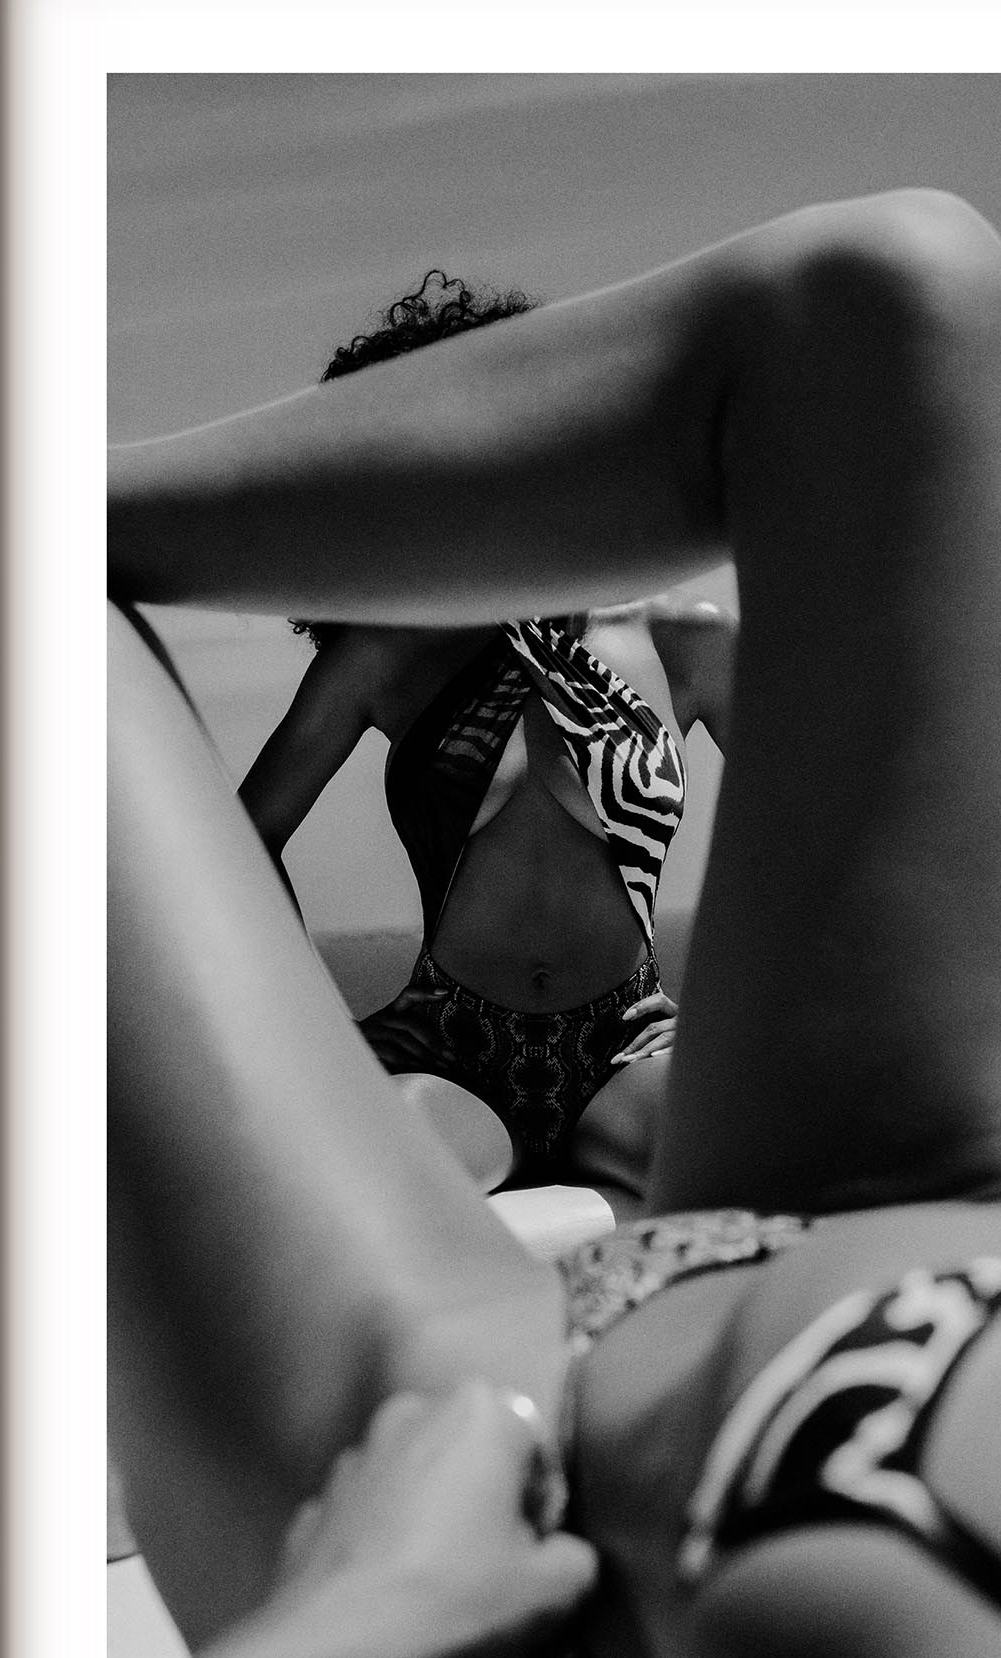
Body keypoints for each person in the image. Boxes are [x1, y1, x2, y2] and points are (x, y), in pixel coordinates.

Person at [107, 190, 1001, 1658]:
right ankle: (28, 505)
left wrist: (347, 1634)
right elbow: (256, 831)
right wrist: (275, 1015)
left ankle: (4, 507)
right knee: (897, 296)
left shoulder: (671, 646)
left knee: (887, 300)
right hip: (950, 1193)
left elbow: (814, 813)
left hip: (589, 1280)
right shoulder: (385, 659)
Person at [234, 273, 733, 1203]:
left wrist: (744, 1009)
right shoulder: (384, 653)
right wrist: (299, 1027)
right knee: (353, 1200)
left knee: (753, 1170)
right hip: (444, 1053)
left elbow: (823, 834)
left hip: (627, 1048)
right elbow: (242, 844)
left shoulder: (682, 639)